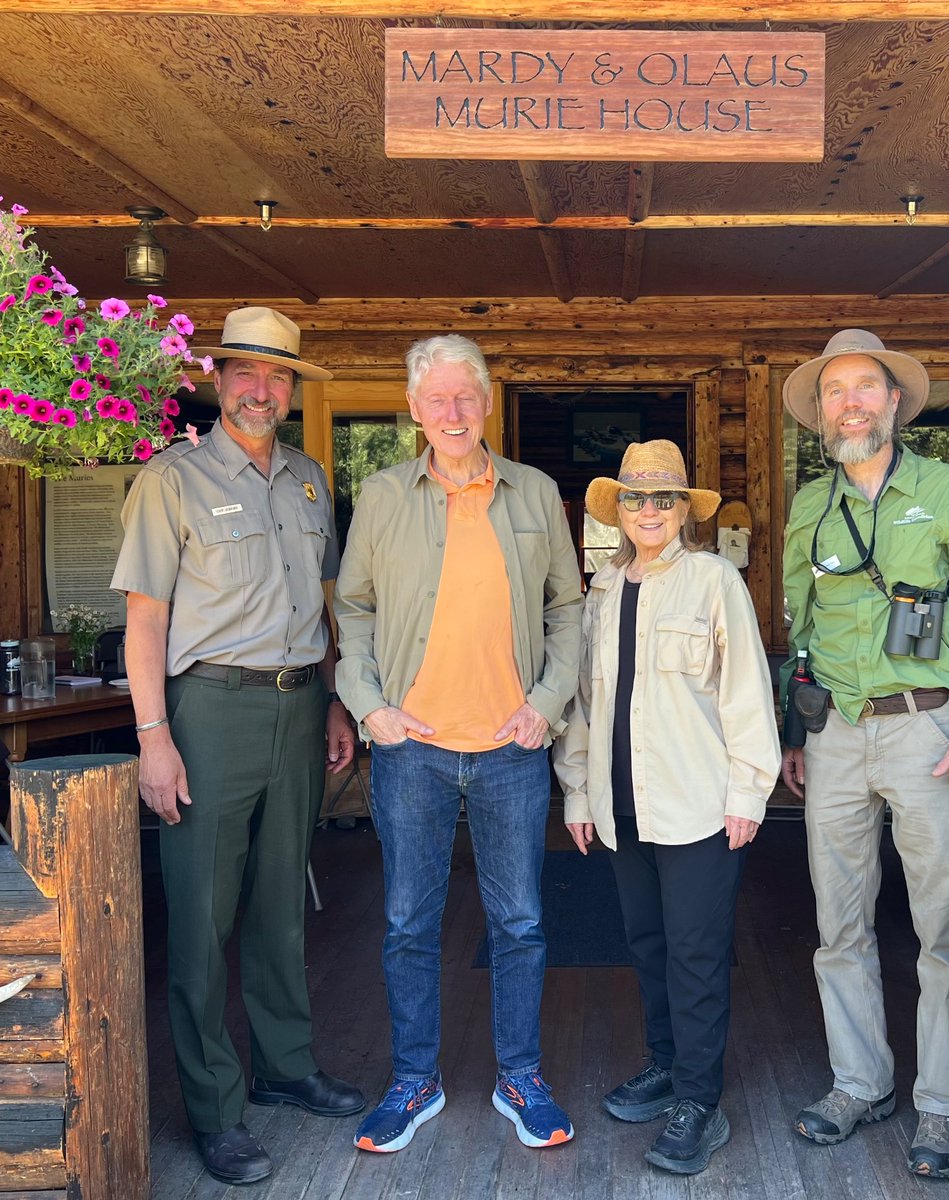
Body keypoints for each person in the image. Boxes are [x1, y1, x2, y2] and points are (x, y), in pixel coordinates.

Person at [111, 306, 364, 1186]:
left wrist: (334, 701)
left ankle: (284, 1067)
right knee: (202, 914)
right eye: (247, 374)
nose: (262, 391)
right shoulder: (170, 480)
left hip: (299, 707)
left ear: (292, 389)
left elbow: (320, 607)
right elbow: (145, 622)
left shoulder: (308, 479)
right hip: (208, 711)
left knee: (280, 901)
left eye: (278, 376)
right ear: (218, 381)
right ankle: (216, 1109)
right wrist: (154, 738)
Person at [334, 333, 582, 1155]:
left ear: (487, 403)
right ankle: (414, 1079)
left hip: (513, 745)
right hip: (412, 747)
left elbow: (567, 608)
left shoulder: (535, 491)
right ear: (414, 408)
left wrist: (546, 703)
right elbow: (353, 609)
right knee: (408, 922)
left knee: (521, 922)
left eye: (465, 396)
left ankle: (521, 1077)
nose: (452, 412)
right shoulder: (381, 496)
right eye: (436, 398)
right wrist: (370, 706)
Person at [779, 329, 949, 1180]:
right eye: (834, 390)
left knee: (943, 929)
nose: (849, 402)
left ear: (894, 402)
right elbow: (800, 630)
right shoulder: (810, 506)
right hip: (836, 735)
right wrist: (797, 729)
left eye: (864, 387)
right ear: (822, 412)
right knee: (837, 924)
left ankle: (943, 1104)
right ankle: (861, 1083)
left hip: (928, 729)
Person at [555, 441, 781, 1176]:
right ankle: (665, 1064)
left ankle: (699, 1100)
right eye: (635, 499)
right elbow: (585, 702)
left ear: (685, 510)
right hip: (622, 803)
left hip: (697, 803)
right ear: (618, 511)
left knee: (695, 953)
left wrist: (748, 792)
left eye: (663, 499)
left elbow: (746, 692)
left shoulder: (715, 581)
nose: (648, 511)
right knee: (646, 944)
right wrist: (579, 790)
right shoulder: (601, 591)